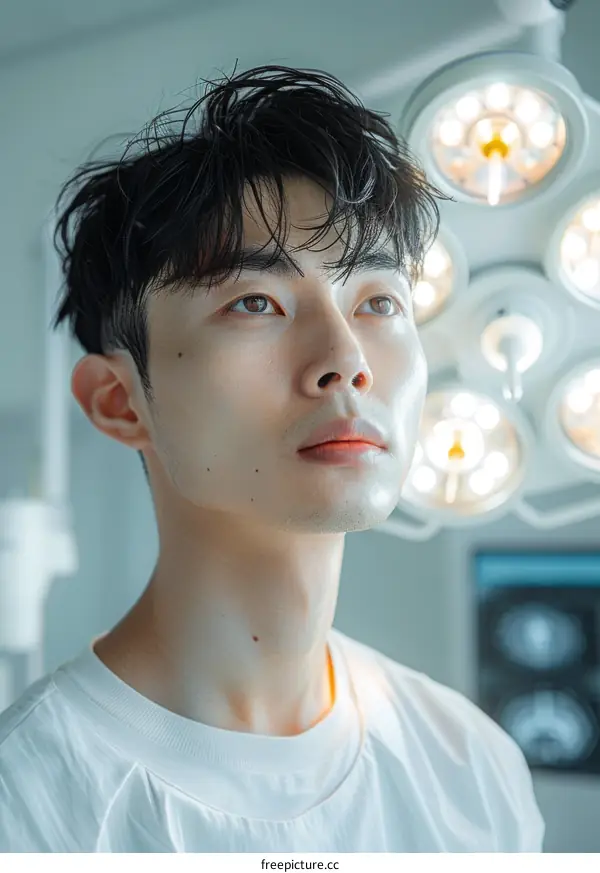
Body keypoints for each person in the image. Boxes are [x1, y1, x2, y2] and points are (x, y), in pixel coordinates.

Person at [0, 64, 544, 853]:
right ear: (121, 402)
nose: (346, 359)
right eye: (255, 302)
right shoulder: (32, 808)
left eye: (379, 301)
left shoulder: (473, 771)